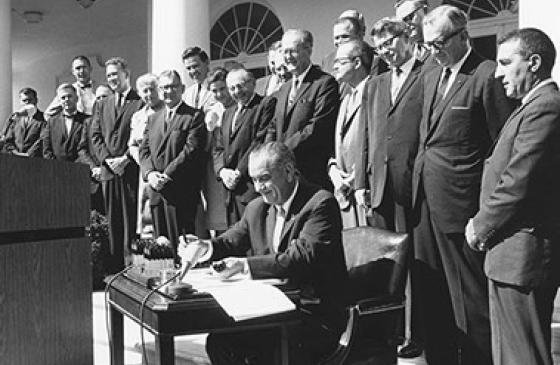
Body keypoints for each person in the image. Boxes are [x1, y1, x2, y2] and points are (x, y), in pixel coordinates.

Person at [179, 141, 348, 364]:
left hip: (312, 316)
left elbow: (298, 259)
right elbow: (230, 241)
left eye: (264, 178)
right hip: (272, 311)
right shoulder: (257, 207)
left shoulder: (320, 203)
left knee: (260, 347)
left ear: (288, 171)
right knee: (220, 342)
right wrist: (204, 246)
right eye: (254, 180)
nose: (258, 187)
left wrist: (244, 266)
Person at [411, 6, 515, 365]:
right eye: (427, 45)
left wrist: (485, 212)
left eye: (439, 42)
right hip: (425, 205)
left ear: (462, 36)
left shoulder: (486, 75)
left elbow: (501, 148)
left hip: (462, 207)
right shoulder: (430, 76)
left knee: (470, 304)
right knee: (433, 298)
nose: (433, 51)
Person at [465, 28, 560, 365]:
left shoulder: (545, 108)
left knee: (523, 355)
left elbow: (518, 181)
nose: (497, 71)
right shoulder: (530, 106)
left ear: (534, 62)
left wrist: (480, 226)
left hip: (522, 256)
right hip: (508, 256)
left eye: (506, 62)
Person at [355, 17, 426, 359]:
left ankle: (416, 333)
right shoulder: (375, 83)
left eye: (391, 43)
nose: (386, 51)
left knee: (414, 264)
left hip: (413, 186)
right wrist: (360, 183)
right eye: (380, 47)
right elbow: (366, 138)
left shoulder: (427, 75)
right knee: (385, 267)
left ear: (408, 37)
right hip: (379, 188)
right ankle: (389, 333)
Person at [139, 70, 207, 255]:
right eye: (164, 87)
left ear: (182, 88)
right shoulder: (152, 119)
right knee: (161, 250)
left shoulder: (194, 116)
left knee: (183, 249)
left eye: (172, 87)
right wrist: (151, 174)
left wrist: (166, 175)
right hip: (157, 192)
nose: (168, 91)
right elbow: (143, 150)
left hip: (181, 192)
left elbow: (190, 151)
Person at [266, 29, 340, 191]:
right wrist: (268, 153)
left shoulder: (324, 83)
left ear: (308, 50)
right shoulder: (284, 89)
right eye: (285, 52)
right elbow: (274, 125)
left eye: (292, 51)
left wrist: (282, 151)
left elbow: (317, 127)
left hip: (311, 174)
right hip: (283, 176)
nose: (288, 57)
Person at [91, 57, 143, 273]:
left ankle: (132, 269)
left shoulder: (139, 101)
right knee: (113, 224)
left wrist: (125, 159)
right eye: (109, 75)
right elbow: (95, 136)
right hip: (109, 172)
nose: (112, 78)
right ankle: (114, 272)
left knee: (131, 221)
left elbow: (142, 136)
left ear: (126, 74)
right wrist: (107, 160)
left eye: (115, 74)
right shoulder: (102, 104)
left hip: (130, 170)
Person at [214, 68, 276, 226]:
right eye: (232, 88)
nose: (236, 92)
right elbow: (219, 148)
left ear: (253, 83)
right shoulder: (228, 113)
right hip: (230, 190)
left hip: (250, 186)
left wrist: (238, 172)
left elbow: (259, 141)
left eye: (240, 86)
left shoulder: (265, 104)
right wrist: (222, 171)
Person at [327, 40, 371, 228]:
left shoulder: (375, 92)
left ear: (357, 63)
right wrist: (334, 170)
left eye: (340, 62)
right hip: (344, 194)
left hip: (365, 191)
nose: (335, 66)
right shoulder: (344, 99)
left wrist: (359, 177)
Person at [128, 73, 164, 236]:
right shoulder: (138, 116)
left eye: (152, 89)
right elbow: (133, 144)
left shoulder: (167, 110)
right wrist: (143, 162)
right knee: (147, 215)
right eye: (145, 91)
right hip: (145, 172)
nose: (149, 94)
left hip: (164, 169)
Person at [322, 11, 387, 77]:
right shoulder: (327, 61)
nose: (340, 41)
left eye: (345, 36)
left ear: (360, 32)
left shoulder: (376, 58)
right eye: (337, 37)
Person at [41, 83, 89, 162]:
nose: (66, 99)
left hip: (80, 168)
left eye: (69, 96)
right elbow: (46, 149)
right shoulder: (51, 122)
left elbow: (88, 147)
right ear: (59, 101)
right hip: (56, 169)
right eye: (63, 98)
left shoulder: (87, 120)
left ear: (77, 98)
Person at [3, 87, 45, 157]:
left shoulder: (44, 118)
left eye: (30, 100)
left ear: (36, 100)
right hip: (14, 159)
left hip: (35, 160)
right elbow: (8, 138)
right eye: (24, 100)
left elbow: (42, 139)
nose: (27, 103)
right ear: (20, 102)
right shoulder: (15, 118)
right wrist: (15, 152)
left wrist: (28, 154)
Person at [182, 46, 215, 112]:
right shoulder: (187, 94)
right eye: (188, 68)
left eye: (195, 66)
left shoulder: (219, 87)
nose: (192, 71)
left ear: (207, 62)